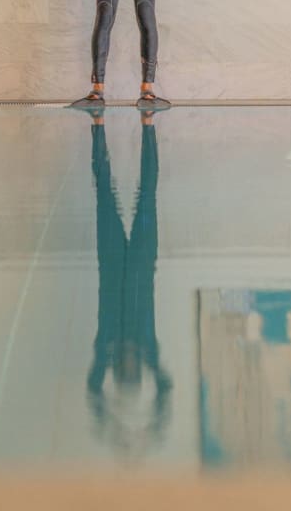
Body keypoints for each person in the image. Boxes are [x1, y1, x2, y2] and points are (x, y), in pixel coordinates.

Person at [86, 117, 172, 455]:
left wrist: (112, 429)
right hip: (142, 256)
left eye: (125, 369)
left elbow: (93, 389)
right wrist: (150, 429)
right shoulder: (148, 347)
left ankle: (103, 129)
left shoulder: (105, 345)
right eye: (134, 369)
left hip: (111, 258)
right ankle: (146, 128)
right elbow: (166, 389)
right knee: (147, 192)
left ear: (117, 369)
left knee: (104, 191)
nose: (129, 362)